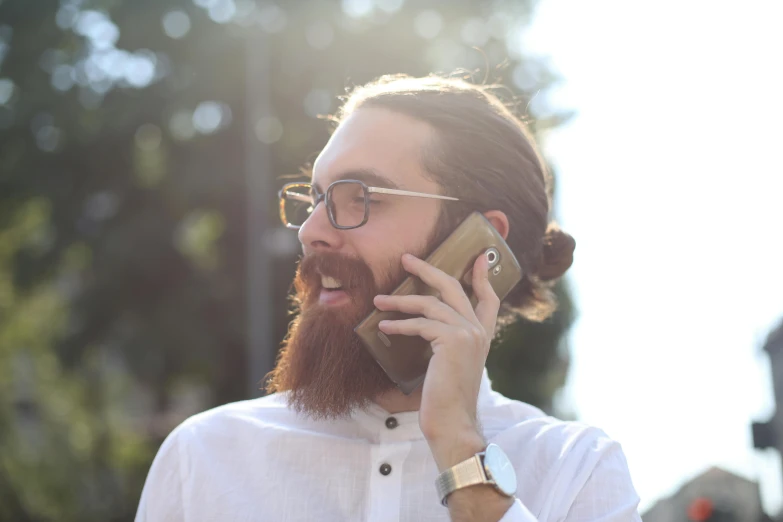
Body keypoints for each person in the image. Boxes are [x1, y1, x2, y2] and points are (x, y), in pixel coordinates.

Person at [135, 74, 640, 522]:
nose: (311, 232)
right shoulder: (204, 458)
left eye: (364, 198)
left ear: (480, 250)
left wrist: (462, 457)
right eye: (316, 199)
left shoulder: (579, 469)